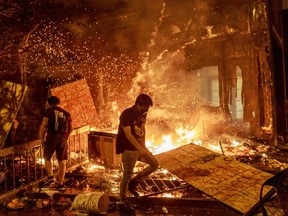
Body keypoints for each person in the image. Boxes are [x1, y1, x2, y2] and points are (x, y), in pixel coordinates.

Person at [116, 93, 159, 213]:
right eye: (145, 108)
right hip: (129, 148)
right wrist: (139, 148)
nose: (146, 111)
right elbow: (128, 134)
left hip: (140, 147)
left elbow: (142, 129)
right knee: (127, 174)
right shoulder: (127, 114)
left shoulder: (143, 113)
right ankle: (122, 200)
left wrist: (143, 146)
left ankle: (135, 181)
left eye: (148, 109)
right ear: (138, 105)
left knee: (155, 164)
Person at [38, 96, 73, 191]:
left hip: (51, 138)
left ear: (49, 103)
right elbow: (71, 128)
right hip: (62, 139)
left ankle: (50, 177)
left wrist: (41, 137)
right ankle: (61, 184)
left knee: (47, 157)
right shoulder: (66, 113)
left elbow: (44, 124)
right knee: (62, 161)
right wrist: (65, 137)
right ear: (58, 102)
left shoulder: (48, 112)